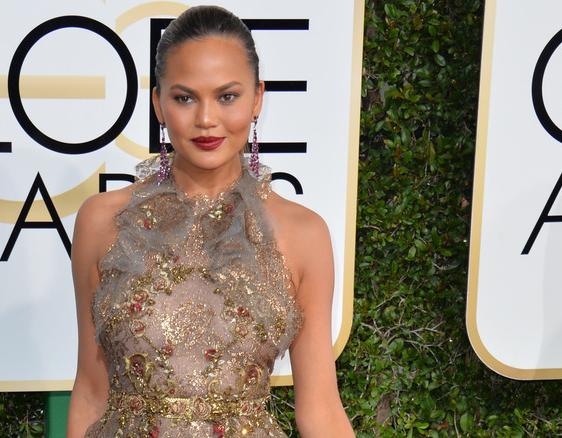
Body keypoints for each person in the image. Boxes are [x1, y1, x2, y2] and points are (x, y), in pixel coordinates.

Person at [66, 5, 354, 437]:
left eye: (227, 96)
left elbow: (320, 410)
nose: (205, 119)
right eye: (184, 98)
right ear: (158, 104)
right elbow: (91, 390)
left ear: (257, 98)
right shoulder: (102, 221)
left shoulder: (304, 234)